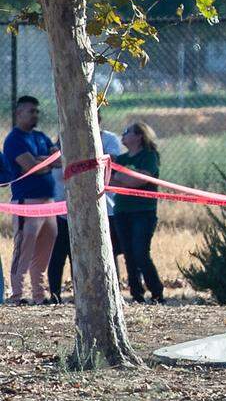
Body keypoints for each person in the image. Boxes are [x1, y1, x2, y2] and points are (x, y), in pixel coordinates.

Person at [47, 113, 124, 303]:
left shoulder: (109, 139)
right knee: (60, 253)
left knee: (108, 252)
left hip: (104, 209)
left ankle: (111, 292)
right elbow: (53, 160)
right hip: (65, 210)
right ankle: (55, 295)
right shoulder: (64, 139)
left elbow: (109, 162)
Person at [4, 96, 59, 305]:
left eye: (37, 111)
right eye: (31, 111)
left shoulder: (41, 137)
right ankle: (16, 295)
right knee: (23, 250)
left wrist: (43, 161)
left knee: (44, 252)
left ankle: (39, 295)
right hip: (26, 203)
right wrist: (45, 161)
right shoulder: (14, 139)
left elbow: (59, 160)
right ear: (19, 114)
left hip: (49, 203)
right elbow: (31, 167)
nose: (35, 114)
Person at [108, 122, 164, 303]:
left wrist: (120, 177)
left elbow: (137, 182)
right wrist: (124, 178)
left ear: (139, 136)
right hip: (122, 211)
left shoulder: (149, 156)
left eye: (127, 132)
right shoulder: (121, 159)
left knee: (141, 252)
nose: (122, 135)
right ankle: (136, 294)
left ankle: (156, 292)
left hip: (143, 212)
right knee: (128, 254)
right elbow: (110, 182)